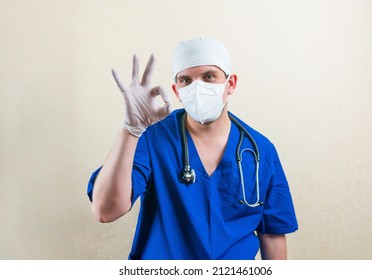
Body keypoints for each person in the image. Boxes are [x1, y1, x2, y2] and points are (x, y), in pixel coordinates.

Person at [87, 38, 298, 260]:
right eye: (186, 80)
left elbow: (272, 235)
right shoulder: (154, 138)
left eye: (209, 77)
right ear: (176, 91)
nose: (197, 87)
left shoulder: (260, 150)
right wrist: (130, 131)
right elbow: (105, 211)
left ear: (231, 84)